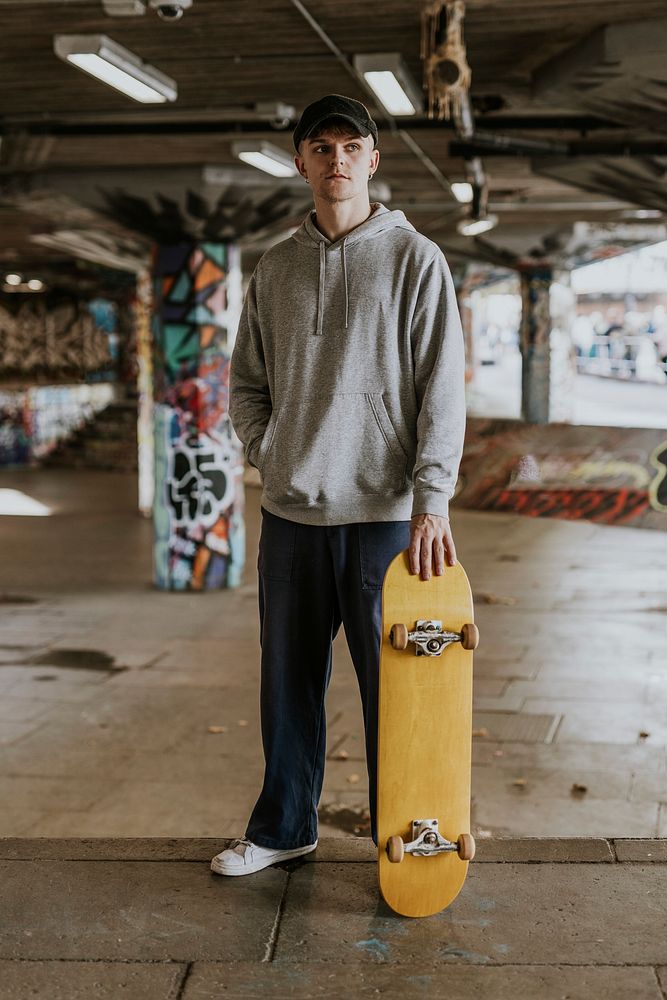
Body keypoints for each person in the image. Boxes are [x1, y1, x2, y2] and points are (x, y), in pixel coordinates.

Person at [211, 94, 466, 877]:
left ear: (372, 159)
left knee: (398, 690)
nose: (335, 160)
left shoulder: (414, 258)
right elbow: (246, 383)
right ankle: (285, 826)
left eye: (349, 146)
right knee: (288, 684)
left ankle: (408, 836)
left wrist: (431, 499)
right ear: (301, 162)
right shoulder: (276, 267)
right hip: (292, 512)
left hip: (385, 516)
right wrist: (272, 452)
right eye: (319, 148)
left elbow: (441, 388)